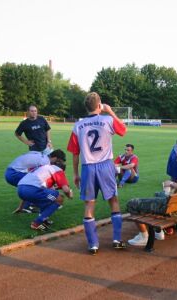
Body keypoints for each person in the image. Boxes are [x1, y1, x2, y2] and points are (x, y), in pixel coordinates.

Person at [67, 92, 127, 255]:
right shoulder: (107, 120)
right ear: (99, 104)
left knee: (89, 205)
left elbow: (75, 153)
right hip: (106, 166)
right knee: (113, 201)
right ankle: (116, 240)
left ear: (86, 107)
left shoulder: (77, 126)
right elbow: (123, 130)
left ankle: (93, 244)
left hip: (87, 168)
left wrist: (75, 173)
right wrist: (110, 111)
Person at [17, 160, 72, 231]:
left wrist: (20, 207)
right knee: (59, 199)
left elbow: (27, 189)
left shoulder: (43, 168)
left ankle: (44, 219)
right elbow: (66, 190)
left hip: (20, 190)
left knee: (48, 199)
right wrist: (70, 195)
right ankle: (36, 223)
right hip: (33, 190)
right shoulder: (58, 170)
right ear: (63, 170)